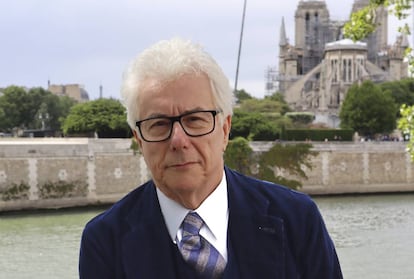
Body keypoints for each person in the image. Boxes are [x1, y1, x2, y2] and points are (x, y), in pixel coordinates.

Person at [79, 38, 343, 278]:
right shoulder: (105, 242)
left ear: (225, 129)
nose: (178, 141)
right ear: (139, 139)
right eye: (158, 124)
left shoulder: (297, 219)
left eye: (195, 119)